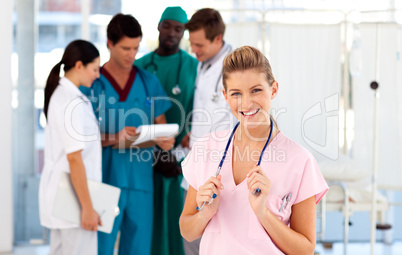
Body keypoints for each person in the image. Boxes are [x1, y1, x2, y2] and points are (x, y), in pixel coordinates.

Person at [179, 46, 329, 255]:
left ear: (273, 89)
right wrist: (205, 214)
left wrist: (263, 213)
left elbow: (305, 249)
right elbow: (187, 231)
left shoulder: (299, 160)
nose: (246, 102)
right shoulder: (206, 148)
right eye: (236, 93)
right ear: (225, 96)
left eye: (256, 90)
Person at [80, 14, 174, 255]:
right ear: (109, 43)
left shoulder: (148, 82)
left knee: (138, 249)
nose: (131, 55)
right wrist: (115, 139)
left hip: (141, 183)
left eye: (135, 48)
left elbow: (160, 127)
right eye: (125, 48)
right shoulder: (92, 84)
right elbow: (78, 139)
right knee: (99, 248)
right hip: (103, 182)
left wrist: (164, 141)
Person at [135, 6, 197, 255]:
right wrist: (155, 152)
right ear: (159, 27)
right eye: (167, 26)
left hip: (182, 157)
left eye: (178, 29)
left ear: (183, 33)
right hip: (146, 157)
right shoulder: (140, 66)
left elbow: (202, 109)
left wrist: (181, 150)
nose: (172, 32)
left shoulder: (194, 67)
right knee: (148, 224)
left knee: (180, 222)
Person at [38, 39, 101, 255]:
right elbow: (74, 159)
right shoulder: (68, 101)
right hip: (72, 201)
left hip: (65, 197)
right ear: (79, 66)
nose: (97, 75)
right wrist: (88, 208)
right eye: (94, 69)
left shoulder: (67, 96)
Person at [185, 8, 235, 148]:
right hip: (199, 153)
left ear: (217, 39)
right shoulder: (202, 65)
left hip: (223, 156)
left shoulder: (237, 68)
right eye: (191, 43)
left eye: (199, 45)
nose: (193, 50)